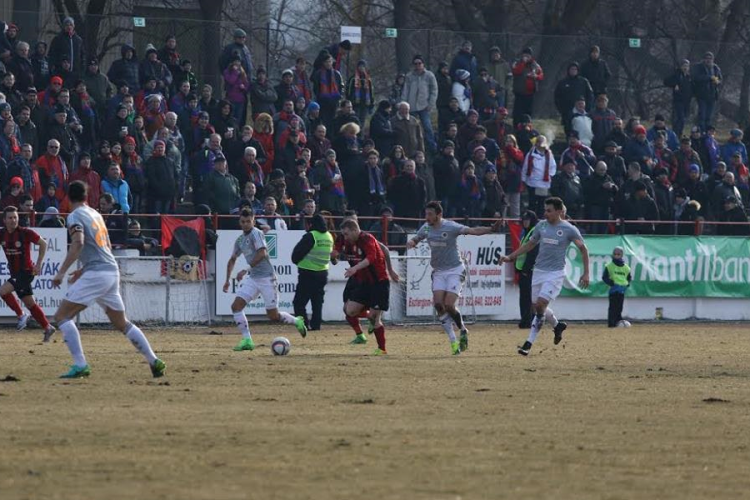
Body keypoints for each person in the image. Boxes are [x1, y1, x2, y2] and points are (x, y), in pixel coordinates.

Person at [51, 181, 165, 379]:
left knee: (62, 317)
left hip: (97, 274)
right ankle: (154, 361)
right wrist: (83, 268)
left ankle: (80, 364)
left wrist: (62, 272)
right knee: (122, 324)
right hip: (111, 271)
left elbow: (78, 242)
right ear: (87, 197)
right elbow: (107, 245)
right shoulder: (96, 214)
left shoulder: (74, 216)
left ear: (68, 197)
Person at [407, 201, 501, 355]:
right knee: (438, 304)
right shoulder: (426, 228)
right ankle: (453, 341)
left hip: (455, 270)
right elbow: (417, 238)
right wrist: (412, 242)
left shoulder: (450, 227)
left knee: (449, 305)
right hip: (438, 271)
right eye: (426, 214)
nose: (427, 217)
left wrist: (491, 229)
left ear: (439, 215)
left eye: (430, 214)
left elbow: (473, 231)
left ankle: (463, 329)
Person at [501, 197, 590, 356]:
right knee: (537, 307)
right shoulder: (541, 226)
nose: (546, 213)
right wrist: (511, 256)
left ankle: (528, 343)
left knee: (540, 306)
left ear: (558, 211)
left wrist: (586, 273)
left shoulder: (569, 229)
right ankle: (557, 326)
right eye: (545, 210)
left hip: (555, 274)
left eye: (549, 210)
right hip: (539, 272)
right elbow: (530, 244)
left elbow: (583, 249)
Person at [222, 208, 307, 352]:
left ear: (253, 221)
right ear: (239, 222)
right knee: (236, 306)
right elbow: (232, 260)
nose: (246, 224)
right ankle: (247, 340)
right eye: (243, 222)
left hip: (267, 278)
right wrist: (227, 280)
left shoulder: (257, 233)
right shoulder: (240, 240)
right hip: (253, 279)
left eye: (248, 221)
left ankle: (297, 320)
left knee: (273, 315)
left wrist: (246, 269)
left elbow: (262, 253)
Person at [336, 218, 392, 355]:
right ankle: (369, 318)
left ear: (355, 230)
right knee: (349, 311)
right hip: (363, 283)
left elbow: (371, 258)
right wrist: (333, 256)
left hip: (379, 282)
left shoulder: (367, 239)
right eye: (343, 234)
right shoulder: (345, 240)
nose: (345, 237)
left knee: (374, 317)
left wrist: (354, 269)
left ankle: (382, 349)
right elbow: (336, 251)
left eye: (347, 234)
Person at [0, 206, 55, 339]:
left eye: (15, 217)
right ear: (4, 220)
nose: (13, 220)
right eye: (10, 218)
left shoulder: (25, 232)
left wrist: (39, 263)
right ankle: (48, 327)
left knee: (3, 291)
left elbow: (43, 243)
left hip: (26, 272)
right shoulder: (2, 234)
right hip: (15, 273)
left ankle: (21, 315)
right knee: (30, 303)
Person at [291, 213, 333, 331]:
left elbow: (296, 254)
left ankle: (303, 325)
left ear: (311, 224)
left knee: (299, 303)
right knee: (317, 302)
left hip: (307, 273)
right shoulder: (329, 236)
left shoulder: (311, 236)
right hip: (323, 273)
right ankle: (316, 326)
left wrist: (297, 261)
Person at [515, 210, 539, 329]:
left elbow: (533, 252)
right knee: (525, 296)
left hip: (528, 270)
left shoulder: (533, 232)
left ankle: (528, 320)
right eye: (523, 220)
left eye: (527, 220)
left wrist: (525, 268)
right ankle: (526, 319)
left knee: (528, 297)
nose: (525, 222)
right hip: (523, 269)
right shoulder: (526, 232)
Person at [691, 52, 722, 132]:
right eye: (707, 58)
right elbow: (696, 78)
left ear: (713, 59)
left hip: (712, 96)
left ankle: (707, 133)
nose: (708, 60)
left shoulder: (716, 68)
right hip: (702, 95)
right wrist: (709, 78)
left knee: (709, 116)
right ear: (704, 59)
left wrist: (717, 82)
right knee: (702, 116)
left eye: (710, 58)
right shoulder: (698, 67)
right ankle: (701, 131)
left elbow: (720, 79)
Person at [602, 246, 632, 328]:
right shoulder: (609, 266)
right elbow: (605, 277)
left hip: (622, 290)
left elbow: (629, 278)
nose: (616, 256)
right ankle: (611, 323)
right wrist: (611, 283)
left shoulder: (626, 268)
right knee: (612, 307)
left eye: (618, 254)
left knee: (619, 307)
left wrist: (627, 284)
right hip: (613, 290)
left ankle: (618, 322)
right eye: (615, 254)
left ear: (622, 255)